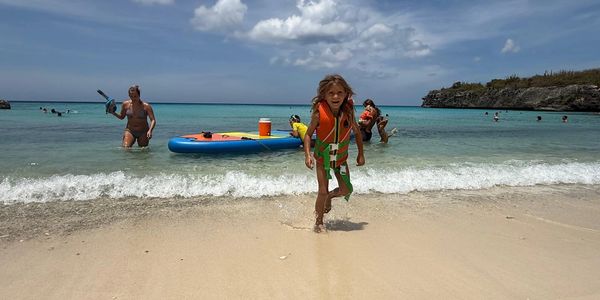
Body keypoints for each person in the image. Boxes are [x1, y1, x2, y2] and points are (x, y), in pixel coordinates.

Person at [303, 74, 365, 233]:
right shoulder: (318, 114)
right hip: (323, 158)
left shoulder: (348, 113)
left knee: (346, 190)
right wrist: (307, 155)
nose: (335, 96)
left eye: (339, 93)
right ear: (324, 95)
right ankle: (318, 222)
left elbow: (357, 133)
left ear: (346, 94)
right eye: (331, 93)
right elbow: (308, 135)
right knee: (322, 191)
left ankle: (330, 197)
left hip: (340, 159)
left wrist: (360, 154)